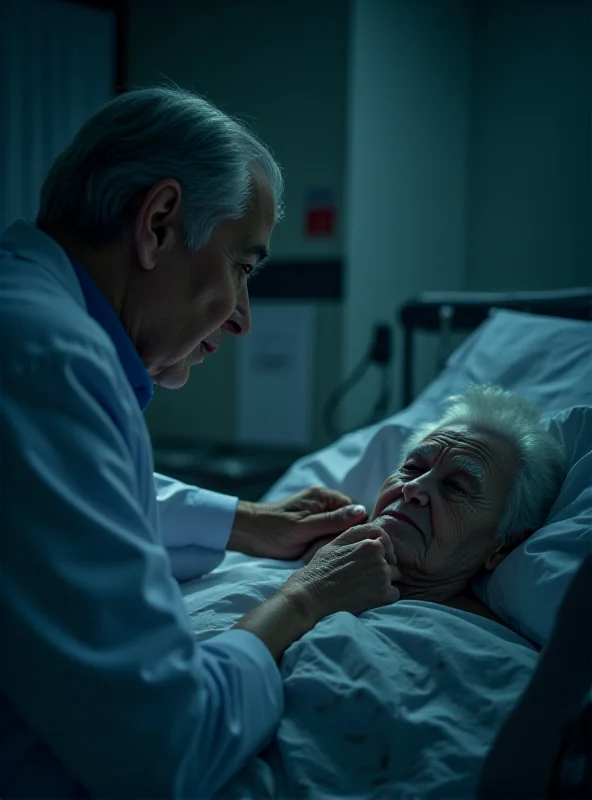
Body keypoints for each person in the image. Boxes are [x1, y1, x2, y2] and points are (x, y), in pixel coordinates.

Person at [0, 87, 398, 798]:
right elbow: (165, 749)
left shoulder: (27, 319)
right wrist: (304, 602)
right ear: (158, 224)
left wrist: (246, 520)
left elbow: (54, 497)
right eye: (243, 267)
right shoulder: (53, 359)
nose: (244, 319)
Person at [305, 385, 566, 618]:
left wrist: (307, 598)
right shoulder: (300, 555)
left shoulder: (460, 648)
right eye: (412, 467)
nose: (413, 488)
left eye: (456, 486)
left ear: (503, 547)